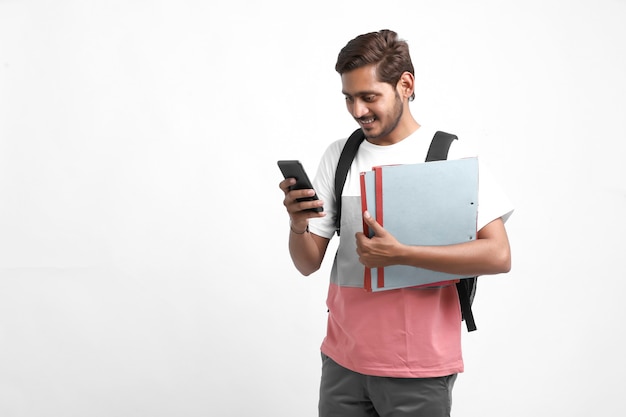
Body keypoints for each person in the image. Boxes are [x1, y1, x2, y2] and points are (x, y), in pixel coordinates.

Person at [279, 29, 514, 417]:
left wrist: (402, 254)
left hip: (418, 369)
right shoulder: (340, 156)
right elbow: (307, 264)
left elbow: (498, 254)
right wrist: (297, 223)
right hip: (342, 361)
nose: (357, 111)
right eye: (349, 98)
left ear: (405, 85)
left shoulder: (449, 156)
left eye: (369, 97)